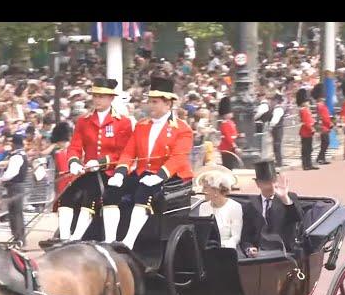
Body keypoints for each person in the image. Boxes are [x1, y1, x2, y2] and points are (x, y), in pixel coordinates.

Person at [103, 74, 193, 249]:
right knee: (111, 192)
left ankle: (128, 242)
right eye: (150, 101)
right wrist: (120, 174)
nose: (150, 105)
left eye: (155, 102)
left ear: (168, 103)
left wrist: (159, 176)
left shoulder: (183, 129)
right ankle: (109, 239)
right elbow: (129, 153)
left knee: (144, 192)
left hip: (170, 177)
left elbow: (178, 158)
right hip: (143, 172)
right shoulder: (142, 125)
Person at [64, 77, 133, 242]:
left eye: (101, 96)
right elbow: (74, 147)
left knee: (94, 195)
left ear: (111, 98)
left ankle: (105, 240)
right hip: (88, 172)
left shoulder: (123, 122)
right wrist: (73, 162)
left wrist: (101, 162)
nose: (97, 100)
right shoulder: (83, 121)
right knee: (65, 196)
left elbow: (123, 153)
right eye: (95, 96)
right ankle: (65, 237)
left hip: (112, 172)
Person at [240, 160, 304, 257]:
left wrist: (285, 199)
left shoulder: (289, 198)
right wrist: (249, 249)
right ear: (258, 184)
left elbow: (298, 218)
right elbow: (246, 236)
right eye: (266, 182)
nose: (271, 186)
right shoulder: (251, 206)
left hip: (284, 252)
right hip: (260, 254)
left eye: (273, 181)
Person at [196, 168, 243, 249]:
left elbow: (236, 237)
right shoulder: (203, 207)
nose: (202, 190)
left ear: (215, 190)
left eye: (205, 187)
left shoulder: (235, 207)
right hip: (206, 250)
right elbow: (201, 234)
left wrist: (222, 247)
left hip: (226, 251)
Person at [0, 133, 28, 246]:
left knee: (15, 213)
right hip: (18, 186)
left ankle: (18, 238)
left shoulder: (16, 156)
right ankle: (19, 238)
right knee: (17, 213)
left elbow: (12, 172)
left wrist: (2, 179)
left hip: (15, 186)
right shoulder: (21, 154)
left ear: (14, 144)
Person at [254, 93, 285, 167]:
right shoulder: (275, 109)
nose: (271, 102)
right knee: (275, 146)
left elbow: (275, 120)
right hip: (276, 129)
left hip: (277, 129)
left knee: (277, 145)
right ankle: (277, 161)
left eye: (273, 100)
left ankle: (279, 162)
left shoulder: (278, 109)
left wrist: (270, 126)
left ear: (276, 101)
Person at [297, 88, 318, 170]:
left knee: (309, 149)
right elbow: (306, 122)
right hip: (305, 132)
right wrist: (312, 129)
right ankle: (305, 164)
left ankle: (309, 164)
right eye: (307, 102)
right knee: (305, 149)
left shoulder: (306, 110)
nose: (308, 103)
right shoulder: (303, 110)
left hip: (308, 132)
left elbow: (310, 120)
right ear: (303, 102)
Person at [312, 83, 332, 165]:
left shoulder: (321, 105)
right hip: (323, 126)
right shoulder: (320, 105)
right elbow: (322, 117)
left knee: (325, 143)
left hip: (325, 125)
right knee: (325, 143)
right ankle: (320, 158)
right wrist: (328, 124)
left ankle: (321, 158)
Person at [217, 97, 239, 170]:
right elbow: (227, 136)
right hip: (227, 146)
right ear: (225, 114)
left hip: (230, 146)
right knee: (227, 165)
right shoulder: (225, 123)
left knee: (230, 164)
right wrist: (233, 145)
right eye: (230, 112)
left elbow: (234, 133)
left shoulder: (231, 122)